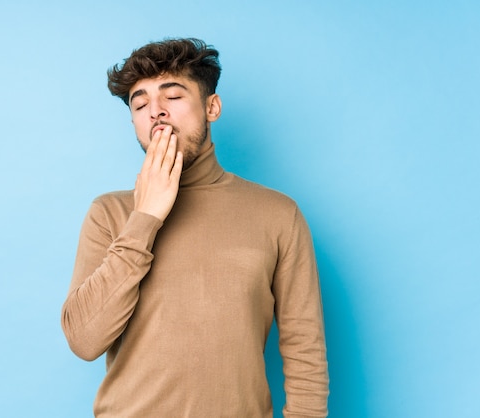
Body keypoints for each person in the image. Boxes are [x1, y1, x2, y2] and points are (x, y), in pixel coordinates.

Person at [61, 38, 329, 417]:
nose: (155, 112)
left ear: (212, 107)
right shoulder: (109, 213)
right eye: (140, 104)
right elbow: (84, 340)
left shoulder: (277, 214)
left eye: (172, 97)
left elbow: (306, 349)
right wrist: (146, 218)